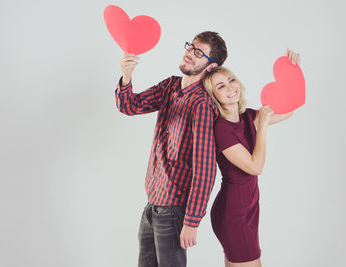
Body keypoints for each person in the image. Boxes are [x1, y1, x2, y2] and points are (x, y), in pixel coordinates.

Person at [115, 31, 228, 267]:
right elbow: (129, 106)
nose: (190, 53)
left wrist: (192, 222)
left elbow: (205, 170)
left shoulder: (202, 105)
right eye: (191, 47)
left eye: (199, 53)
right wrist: (127, 75)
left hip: (174, 211)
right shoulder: (170, 86)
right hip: (152, 204)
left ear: (211, 67)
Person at [202, 49, 300, 267]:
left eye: (230, 80)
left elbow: (290, 110)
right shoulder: (222, 129)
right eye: (220, 86)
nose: (230, 87)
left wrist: (292, 69)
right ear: (213, 96)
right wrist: (263, 125)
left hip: (247, 206)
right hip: (234, 211)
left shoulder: (246, 116)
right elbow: (255, 167)